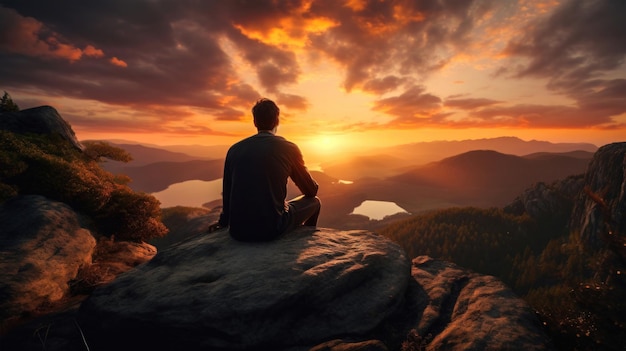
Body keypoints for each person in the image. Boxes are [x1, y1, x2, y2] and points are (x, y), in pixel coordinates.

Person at [216, 98, 321, 241]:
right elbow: (310, 191)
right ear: (276, 121)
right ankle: (304, 243)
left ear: (255, 122)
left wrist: (223, 223)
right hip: (271, 229)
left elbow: (227, 194)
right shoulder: (288, 148)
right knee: (315, 202)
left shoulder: (234, 150)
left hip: (237, 231)